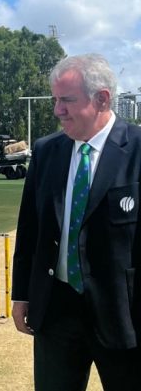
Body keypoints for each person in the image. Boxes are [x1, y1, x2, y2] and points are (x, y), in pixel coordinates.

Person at [11, 53, 141, 390]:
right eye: (55, 100)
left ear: (102, 99)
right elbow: (30, 229)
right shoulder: (46, 151)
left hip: (123, 314)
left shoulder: (138, 149)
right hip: (56, 310)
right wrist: (22, 294)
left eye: (67, 100)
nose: (57, 110)